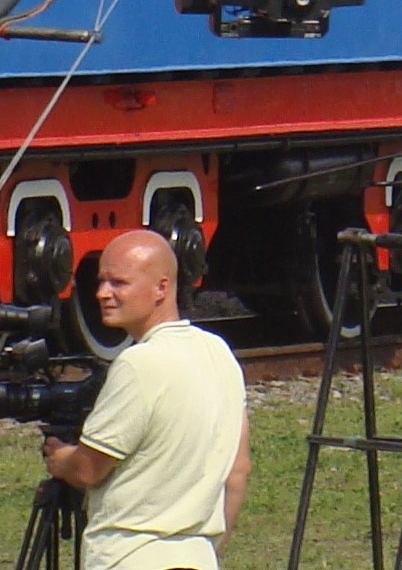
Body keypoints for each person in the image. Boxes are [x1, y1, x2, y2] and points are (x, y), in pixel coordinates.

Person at [40, 230, 251, 570]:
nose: (102, 293)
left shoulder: (138, 364)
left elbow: (88, 469)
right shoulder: (218, 353)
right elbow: (238, 471)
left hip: (130, 555)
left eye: (118, 283)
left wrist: (62, 459)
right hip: (197, 557)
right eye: (101, 281)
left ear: (161, 288)